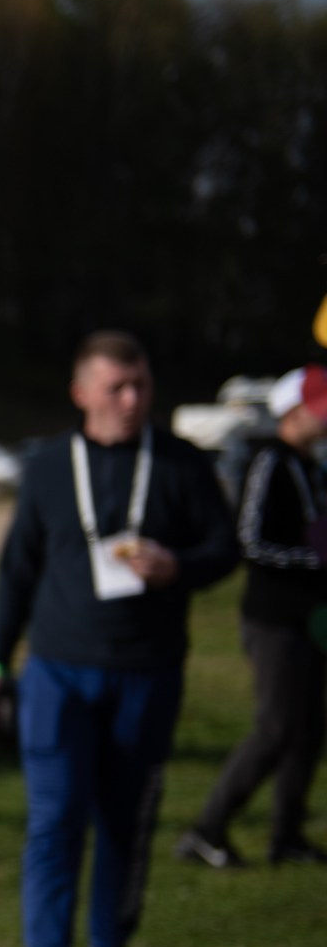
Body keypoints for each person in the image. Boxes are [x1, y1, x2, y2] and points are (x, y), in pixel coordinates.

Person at [0, 330, 236, 947]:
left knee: (123, 821)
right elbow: (17, 571)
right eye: (117, 387)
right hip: (59, 671)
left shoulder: (179, 463)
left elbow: (225, 548)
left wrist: (181, 567)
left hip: (146, 669)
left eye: (141, 385)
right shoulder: (52, 467)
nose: (132, 399)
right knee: (54, 822)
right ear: (82, 392)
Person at [178, 364, 327, 868]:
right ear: (292, 410)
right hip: (273, 618)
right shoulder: (270, 460)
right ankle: (206, 830)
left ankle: (286, 836)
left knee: (308, 729)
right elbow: (252, 541)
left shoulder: (314, 467)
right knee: (275, 728)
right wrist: (315, 562)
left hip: (312, 620)